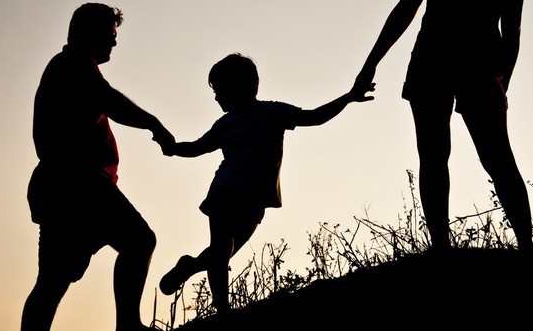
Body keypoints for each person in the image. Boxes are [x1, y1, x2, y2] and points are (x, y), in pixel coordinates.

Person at [352, 0, 533, 251]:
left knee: (436, 158)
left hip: (437, 65)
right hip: (473, 68)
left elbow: (404, 11)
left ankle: (442, 247)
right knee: (496, 158)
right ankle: (525, 246)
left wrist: (371, 63)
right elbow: (511, 34)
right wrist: (503, 81)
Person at [156, 53, 373, 313]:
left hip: (255, 198)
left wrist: (348, 97)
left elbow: (314, 117)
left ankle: (189, 266)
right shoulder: (225, 124)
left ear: (250, 85)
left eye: (220, 90)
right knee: (222, 250)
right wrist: (173, 148)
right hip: (225, 193)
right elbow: (197, 148)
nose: (216, 98)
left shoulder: (273, 112)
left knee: (223, 252)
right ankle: (222, 309)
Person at [21, 2, 175, 331]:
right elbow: (111, 101)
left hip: (62, 185)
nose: (115, 43)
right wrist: (154, 124)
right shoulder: (73, 64)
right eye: (111, 35)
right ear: (90, 34)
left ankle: (127, 325)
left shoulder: (70, 67)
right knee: (139, 241)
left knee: (51, 284)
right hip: (79, 183)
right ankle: (129, 326)